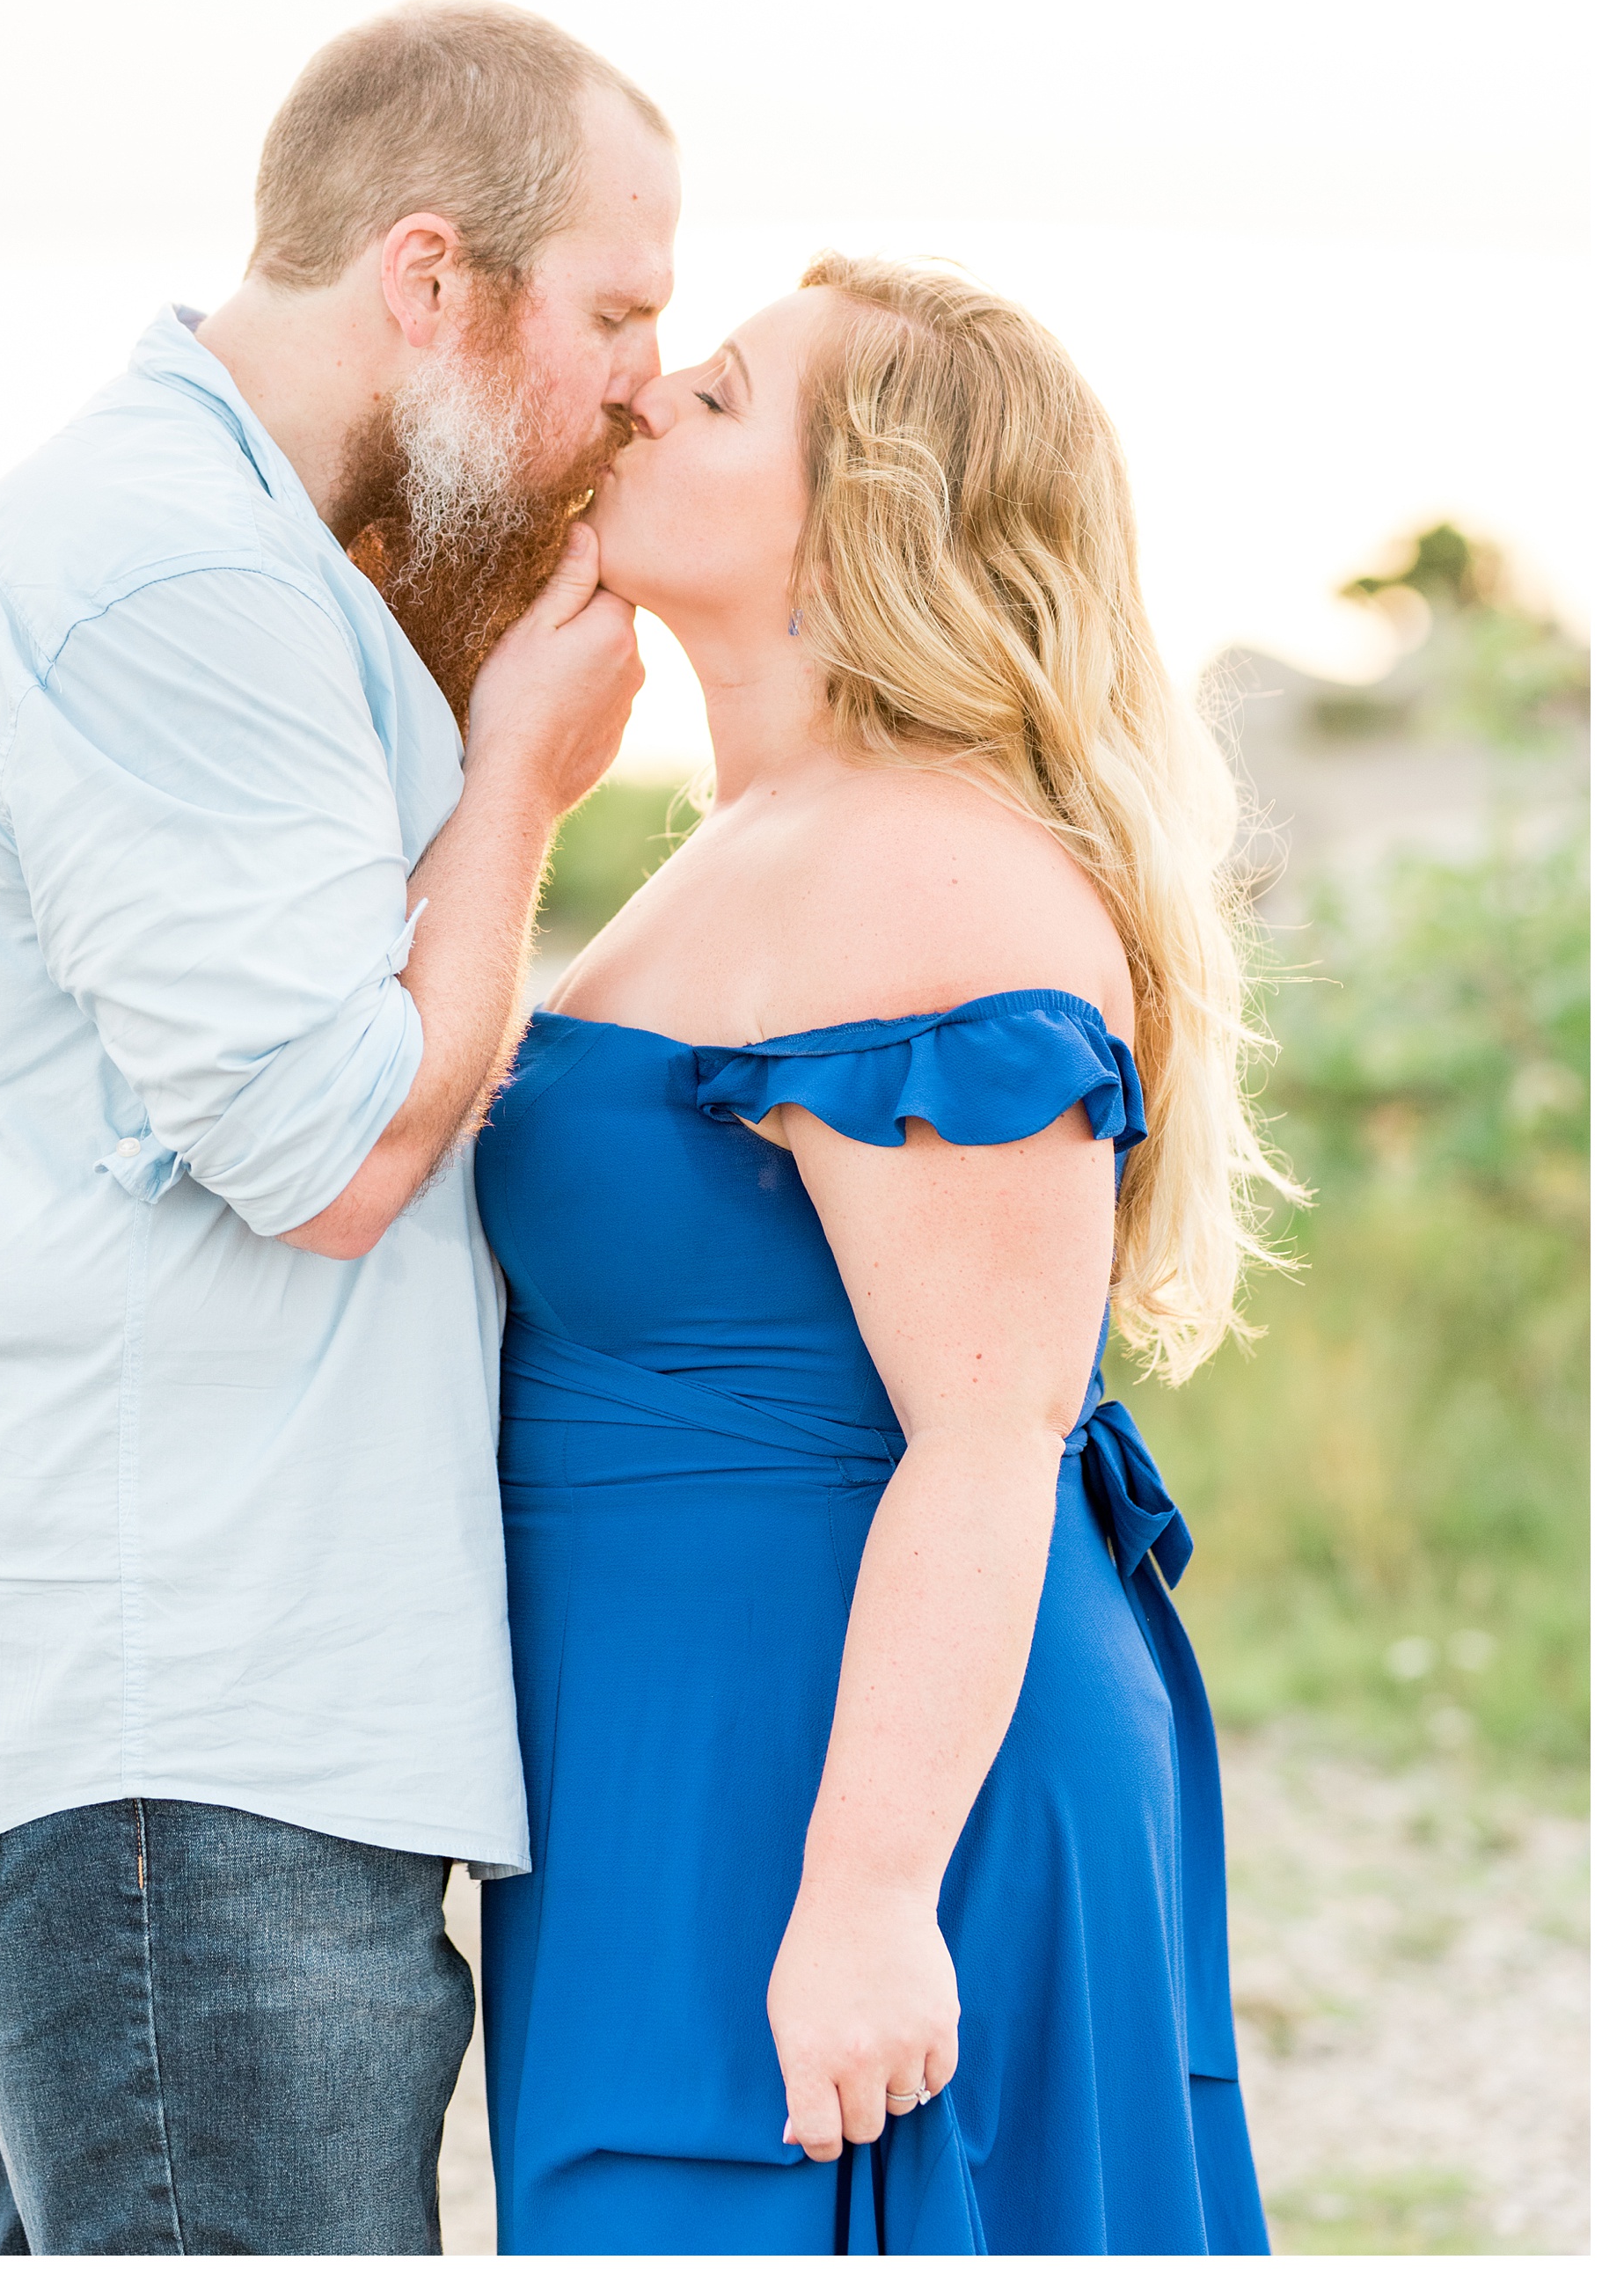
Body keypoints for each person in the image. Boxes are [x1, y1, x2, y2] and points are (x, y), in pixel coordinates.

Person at [0, 0, 679, 2256]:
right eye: (614, 313)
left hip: (204, 1711)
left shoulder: (262, 559)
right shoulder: (171, 566)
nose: (638, 389)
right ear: (427, 275)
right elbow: (332, 1155)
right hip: (182, 1723)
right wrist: (518, 786)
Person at [475, 254, 1284, 2255]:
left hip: (850, 1777)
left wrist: (863, 1895)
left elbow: (992, 1437)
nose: (650, 395)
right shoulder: (765, 830)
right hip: (691, 1736)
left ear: (867, 517)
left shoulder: (922, 868)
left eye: (725, 395)